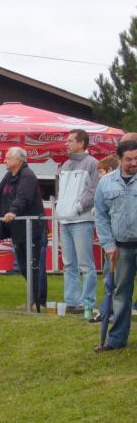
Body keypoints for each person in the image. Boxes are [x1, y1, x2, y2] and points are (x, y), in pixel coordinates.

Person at [0, 147, 45, 311]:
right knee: (24, 267)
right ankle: (32, 301)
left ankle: (38, 303)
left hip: (32, 229)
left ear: (18, 160)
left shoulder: (28, 176)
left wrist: (13, 211)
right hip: (17, 230)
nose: (4, 160)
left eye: (7, 158)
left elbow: (23, 198)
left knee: (33, 266)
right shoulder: (8, 175)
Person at [94, 140, 137, 352]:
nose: (133, 163)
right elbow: (101, 216)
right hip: (120, 248)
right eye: (129, 159)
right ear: (118, 159)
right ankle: (117, 339)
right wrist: (108, 244)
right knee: (120, 294)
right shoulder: (106, 183)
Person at [57, 129, 99, 314]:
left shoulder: (93, 164)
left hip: (82, 220)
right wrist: (62, 209)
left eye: (70, 140)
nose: (66, 144)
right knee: (68, 264)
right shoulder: (64, 165)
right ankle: (71, 302)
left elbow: (94, 190)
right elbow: (61, 193)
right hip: (64, 221)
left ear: (81, 143)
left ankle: (87, 302)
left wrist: (78, 207)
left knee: (85, 264)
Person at [89, 154, 120, 323]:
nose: (99, 175)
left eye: (100, 171)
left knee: (111, 279)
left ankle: (109, 312)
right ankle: (107, 311)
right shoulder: (105, 186)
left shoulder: (113, 185)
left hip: (118, 241)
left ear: (109, 170)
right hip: (111, 241)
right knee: (110, 280)